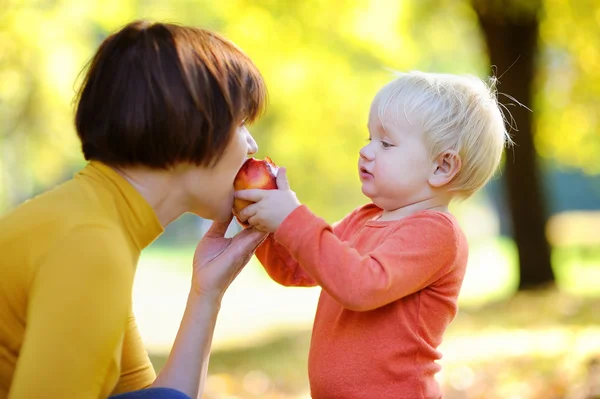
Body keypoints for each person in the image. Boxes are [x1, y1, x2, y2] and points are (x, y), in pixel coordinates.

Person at [0, 20, 268, 399]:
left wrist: (207, 292)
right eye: (241, 123)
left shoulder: (93, 223)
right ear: (189, 124)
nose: (252, 145)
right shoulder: (90, 246)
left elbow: (153, 395)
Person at [235, 71, 511, 398]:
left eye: (386, 143)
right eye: (369, 139)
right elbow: (295, 267)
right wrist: (262, 220)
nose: (366, 151)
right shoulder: (363, 220)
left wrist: (292, 219)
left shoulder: (437, 233)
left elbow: (361, 285)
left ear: (441, 167)